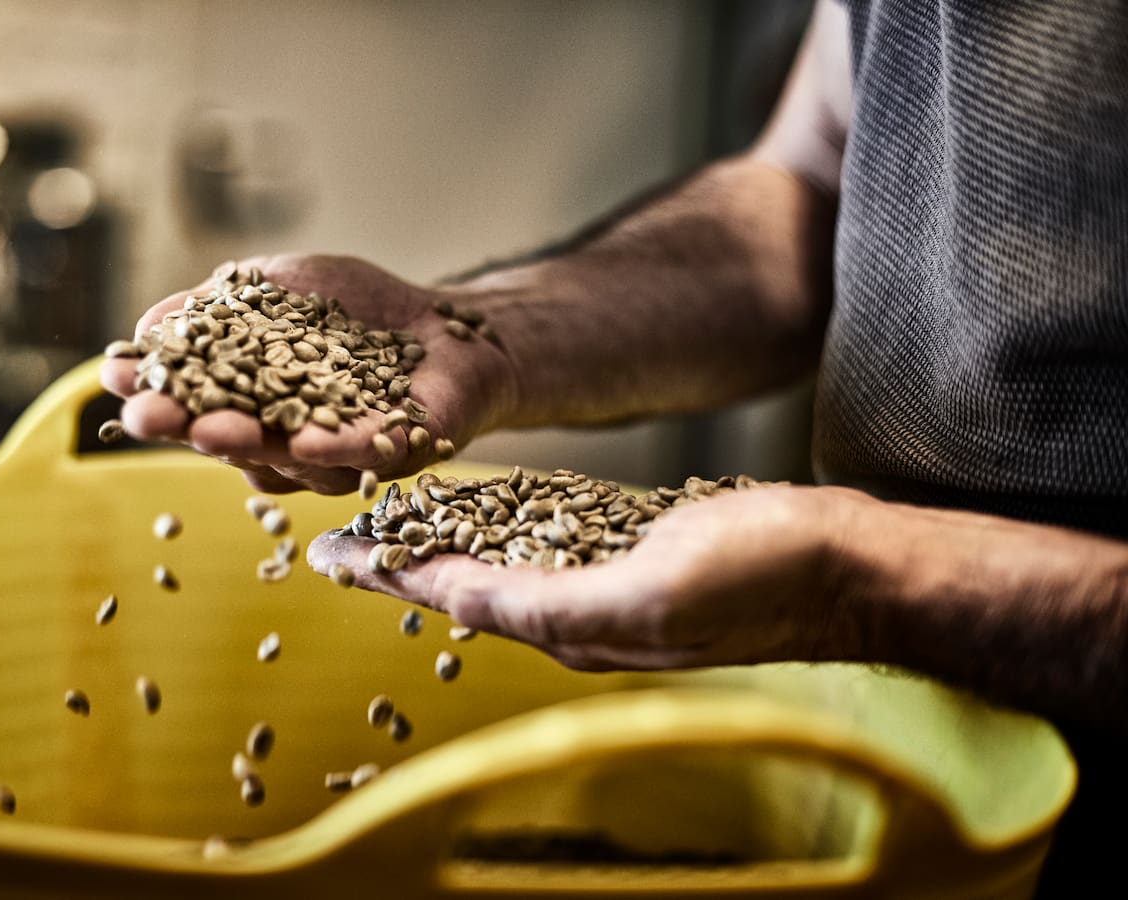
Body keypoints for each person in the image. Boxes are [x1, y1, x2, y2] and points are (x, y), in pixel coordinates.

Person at [102, 1, 1127, 893]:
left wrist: (871, 580)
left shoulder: (865, 579)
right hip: (924, 744)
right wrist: (489, 333)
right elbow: (816, 187)